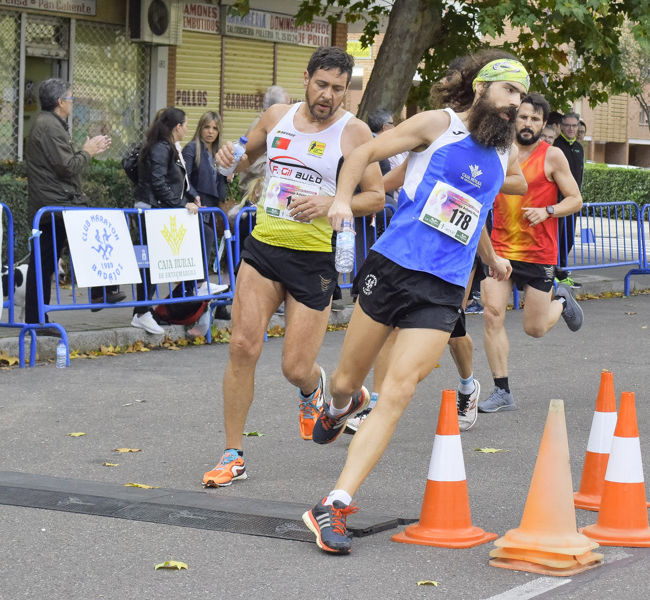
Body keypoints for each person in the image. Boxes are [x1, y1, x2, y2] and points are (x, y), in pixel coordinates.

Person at [299, 51, 525, 555]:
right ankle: (340, 405)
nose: (518, 105)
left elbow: (475, 211)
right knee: (344, 382)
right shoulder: (437, 124)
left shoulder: (502, 154)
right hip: (394, 266)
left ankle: (334, 503)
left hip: (444, 288)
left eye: (524, 97)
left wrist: (490, 258)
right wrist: (340, 199)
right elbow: (360, 157)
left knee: (398, 392)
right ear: (485, 88)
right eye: (511, 92)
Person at [200, 47, 384, 487]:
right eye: (322, 84)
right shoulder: (275, 115)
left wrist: (332, 201)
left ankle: (319, 390)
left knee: (295, 368)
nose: (328, 95)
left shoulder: (355, 132)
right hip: (264, 247)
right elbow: (244, 161)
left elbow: (375, 196)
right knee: (242, 347)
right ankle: (233, 454)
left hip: (314, 259)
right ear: (306, 77)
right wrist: (228, 159)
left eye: (338, 88)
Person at [478, 92, 584, 414]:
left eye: (535, 119)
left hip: (539, 254)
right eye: (524, 117)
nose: (528, 123)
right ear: (514, 117)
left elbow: (575, 199)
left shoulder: (552, 156)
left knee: (534, 329)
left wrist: (549, 210)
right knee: (492, 314)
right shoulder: (496, 152)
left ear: (543, 124)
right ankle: (502, 390)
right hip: (501, 252)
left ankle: (561, 299)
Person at [24, 78, 113, 329]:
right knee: (45, 263)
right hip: (55, 205)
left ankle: (39, 317)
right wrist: (88, 151)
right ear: (61, 102)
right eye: (71, 98)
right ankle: (38, 319)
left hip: (57, 203)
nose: (72, 103)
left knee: (45, 263)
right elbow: (67, 166)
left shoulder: (51, 124)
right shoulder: (49, 126)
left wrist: (85, 151)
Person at [130, 108, 201, 336]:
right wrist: (180, 205)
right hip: (152, 210)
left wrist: (188, 198)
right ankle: (142, 312)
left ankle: (196, 287)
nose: (188, 128)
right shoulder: (161, 148)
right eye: (186, 124)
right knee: (150, 264)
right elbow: (159, 183)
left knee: (158, 261)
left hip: (158, 209)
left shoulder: (165, 147)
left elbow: (174, 182)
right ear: (177, 127)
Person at [181, 111, 230, 272]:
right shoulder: (191, 149)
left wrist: (228, 175)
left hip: (210, 209)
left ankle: (193, 288)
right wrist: (194, 196)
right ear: (200, 128)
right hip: (194, 208)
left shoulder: (218, 152)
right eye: (207, 127)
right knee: (198, 247)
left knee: (204, 246)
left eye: (215, 128)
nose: (210, 131)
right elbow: (184, 177)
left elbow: (218, 182)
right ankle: (198, 286)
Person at [552, 112, 585, 287]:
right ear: (562, 127)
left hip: (573, 202)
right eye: (568, 125)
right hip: (557, 203)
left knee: (569, 238)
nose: (571, 129)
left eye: (574, 125)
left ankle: (562, 271)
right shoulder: (556, 146)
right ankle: (555, 272)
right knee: (557, 238)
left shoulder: (579, 148)